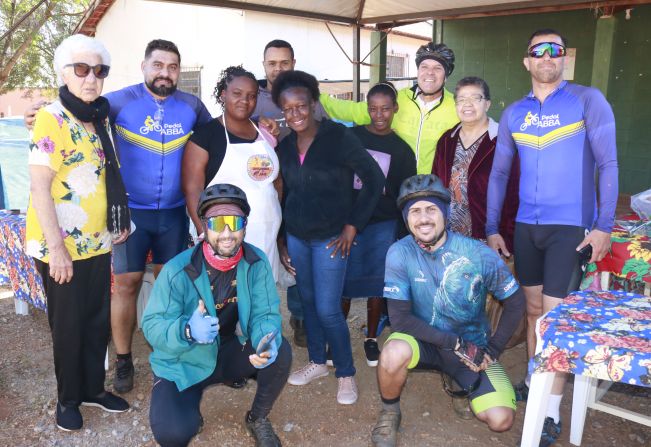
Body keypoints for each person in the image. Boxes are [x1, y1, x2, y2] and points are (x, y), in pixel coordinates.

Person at [486, 29, 618, 446]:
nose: (547, 56)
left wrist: (603, 225)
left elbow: (609, 164)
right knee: (532, 311)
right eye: (538, 51)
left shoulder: (586, 99)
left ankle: (549, 411)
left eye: (555, 50)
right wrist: (492, 226)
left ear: (563, 59)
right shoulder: (515, 113)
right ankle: (534, 378)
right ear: (526, 61)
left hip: (570, 227)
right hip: (527, 226)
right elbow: (501, 173)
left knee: (556, 320)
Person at [370, 175, 525, 447]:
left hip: (472, 350)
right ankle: (390, 410)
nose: (423, 219)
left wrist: (493, 350)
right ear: (407, 219)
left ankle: (457, 377)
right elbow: (400, 320)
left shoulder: (477, 253)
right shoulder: (399, 253)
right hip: (425, 342)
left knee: (501, 421)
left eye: (431, 209)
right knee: (393, 352)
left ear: (445, 212)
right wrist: (454, 343)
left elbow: (515, 302)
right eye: (415, 212)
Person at [26, 34, 130, 431]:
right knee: (69, 326)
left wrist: (118, 222)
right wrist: (57, 249)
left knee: (95, 321)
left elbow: (107, 178)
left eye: (99, 71)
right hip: (62, 246)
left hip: (96, 242)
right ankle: (68, 399)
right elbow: (39, 186)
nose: (91, 79)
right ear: (64, 73)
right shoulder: (52, 117)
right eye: (81, 70)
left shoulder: (98, 117)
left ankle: (92, 389)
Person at [142, 183, 291, 447]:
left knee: (280, 352)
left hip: (228, 350)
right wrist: (186, 330)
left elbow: (265, 312)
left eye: (234, 222)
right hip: (185, 360)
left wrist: (264, 339)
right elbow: (152, 325)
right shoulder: (177, 270)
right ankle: (189, 407)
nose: (226, 233)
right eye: (217, 222)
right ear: (204, 225)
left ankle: (257, 418)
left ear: (245, 225)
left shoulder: (255, 262)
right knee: (172, 434)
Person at [106, 39, 212, 394]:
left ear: (179, 71)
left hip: (172, 213)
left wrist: (265, 127)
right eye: (158, 65)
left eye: (172, 67)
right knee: (126, 284)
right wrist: (43, 112)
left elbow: (222, 134)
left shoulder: (192, 106)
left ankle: (168, 348)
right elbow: (76, 115)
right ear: (144, 66)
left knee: (170, 285)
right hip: (132, 212)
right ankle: (123, 359)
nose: (164, 73)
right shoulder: (119, 101)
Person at [273, 70, 384, 405]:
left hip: (331, 239)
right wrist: (281, 240)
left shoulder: (338, 137)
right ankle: (318, 363)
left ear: (314, 104)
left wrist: (353, 226)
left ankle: (345, 372)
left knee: (328, 308)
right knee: (308, 303)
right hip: (297, 237)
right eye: (287, 108)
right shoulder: (286, 145)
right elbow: (282, 193)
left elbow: (374, 179)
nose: (295, 114)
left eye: (301, 106)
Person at [252, 39, 331, 348]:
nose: (278, 68)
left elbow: (325, 132)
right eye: (272, 63)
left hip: (301, 189)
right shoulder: (253, 99)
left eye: (284, 63)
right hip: (263, 191)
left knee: (298, 252)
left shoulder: (307, 95)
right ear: (264, 65)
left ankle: (299, 317)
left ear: (293, 63)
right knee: (264, 252)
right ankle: (259, 317)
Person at [182, 65, 282, 286]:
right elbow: (192, 190)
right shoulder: (205, 136)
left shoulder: (264, 132)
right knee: (227, 298)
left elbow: (276, 181)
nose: (244, 101)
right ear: (223, 95)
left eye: (251, 96)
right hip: (226, 236)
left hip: (266, 233)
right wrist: (205, 233)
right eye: (237, 94)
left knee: (261, 295)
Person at [340, 82, 416, 367]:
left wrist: (401, 230)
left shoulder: (402, 150)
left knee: (376, 284)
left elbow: (403, 195)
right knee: (344, 282)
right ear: (367, 108)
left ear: (395, 108)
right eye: (373, 109)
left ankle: (371, 338)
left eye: (385, 108)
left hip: (382, 223)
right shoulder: (350, 137)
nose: (379, 114)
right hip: (350, 221)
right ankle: (338, 337)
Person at [318, 42, 459, 173]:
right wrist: (314, 95)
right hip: (395, 182)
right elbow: (354, 111)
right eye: (424, 67)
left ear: (446, 75)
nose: (430, 73)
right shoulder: (397, 99)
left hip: (431, 188)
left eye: (438, 68)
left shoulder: (456, 107)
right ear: (418, 71)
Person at [432, 76, 519, 250]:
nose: (468, 104)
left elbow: (514, 193)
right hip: (448, 236)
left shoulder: (503, 141)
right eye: (462, 99)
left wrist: (506, 235)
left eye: (475, 98)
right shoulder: (447, 140)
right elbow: (435, 185)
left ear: (487, 104)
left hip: (487, 238)